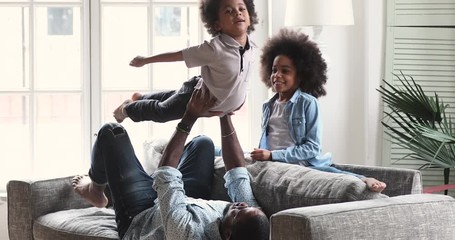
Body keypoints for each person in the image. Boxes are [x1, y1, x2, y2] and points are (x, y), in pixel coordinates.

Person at [72, 87, 270, 239]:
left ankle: (96, 190)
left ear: (227, 234)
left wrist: (190, 115)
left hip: (142, 214)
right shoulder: (251, 218)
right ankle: (126, 182)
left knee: (111, 132)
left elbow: (166, 174)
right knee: (203, 143)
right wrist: (224, 113)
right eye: (246, 206)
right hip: (186, 201)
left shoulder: (187, 234)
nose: (240, 205)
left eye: (238, 211)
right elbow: (237, 172)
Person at [249, 28, 386, 193]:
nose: (277, 75)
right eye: (274, 70)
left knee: (334, 176)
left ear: (300, 75)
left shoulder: (308, 103)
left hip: (302, 164)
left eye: (285, 71)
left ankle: (364, 179)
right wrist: (263, 157)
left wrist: (273, 155)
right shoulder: (268, 106)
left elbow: (312, 148)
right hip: (275, 166)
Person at [113, 0, 259, 123]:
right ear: (217, 24)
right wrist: (146, 60)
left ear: (250, 18)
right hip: (196, 94)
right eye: (228, 11)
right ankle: (128, 109)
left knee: (173, 98)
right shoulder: (215, 48)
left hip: (210, 102)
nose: (237, 13)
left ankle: (141, 98)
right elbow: (179, 55)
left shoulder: (251, 47)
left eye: (241, 8)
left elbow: (241, 79)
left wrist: (235, 103)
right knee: (164, 112)